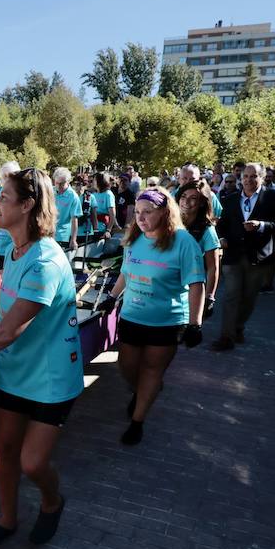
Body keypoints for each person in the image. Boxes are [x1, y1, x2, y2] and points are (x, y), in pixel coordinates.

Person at [0, 168, 81, 549]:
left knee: (32, 463)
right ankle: (8, 521)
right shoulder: (13, 249)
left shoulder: (45, 261)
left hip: (50, 379)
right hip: (15, 371)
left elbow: (11, 330)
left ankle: (53, 502)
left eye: (4, 196)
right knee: (3, 450)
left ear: (27, 205)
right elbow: (3, 315)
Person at [98, 190, 205, 445]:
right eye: (137, 212)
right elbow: (125, 271)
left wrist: (195, 323)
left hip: (166, 321)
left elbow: (196, 284)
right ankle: (143, 390)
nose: (141, 218)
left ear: (164, 212)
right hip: (132, 316)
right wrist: (113, 296)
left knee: (151, 370)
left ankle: (137, 421)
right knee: (127, 367)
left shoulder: (184, 242)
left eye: (147, 212)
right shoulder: (135, 238)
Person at [211, 162, 275, 351]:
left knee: (248, 297)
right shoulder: (230, 199)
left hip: (258, 256)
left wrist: (261, 225)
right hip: (233, 255)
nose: (248, 180)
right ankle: (226, 337)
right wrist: (221, 238)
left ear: (261, 178)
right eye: (245, 176)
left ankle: (238, 327)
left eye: (253, 176)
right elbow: (221, 225)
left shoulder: (273, 197)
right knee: (231, 295)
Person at [177, 182, 222, 320]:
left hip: (190, 289)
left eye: (193, 198)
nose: (186, 201)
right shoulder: (170, 222)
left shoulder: (207, 230)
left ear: (202, 203)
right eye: (183, 196)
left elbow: (213, 267)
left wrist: (209, 297)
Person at [51, 167, 82, 253]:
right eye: (57, 183)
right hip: (48, 233)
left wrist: (73, 239)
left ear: (68, 182)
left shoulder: (73, 197)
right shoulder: (51, 191)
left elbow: (74, 220)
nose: (58, 186)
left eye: (62, 184)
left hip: (62, 236)